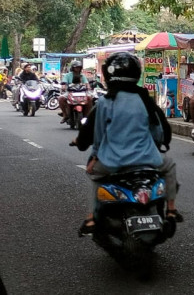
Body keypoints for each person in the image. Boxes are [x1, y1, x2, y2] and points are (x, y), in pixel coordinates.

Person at [76, 52, 181, 236]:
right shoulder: (145, 99)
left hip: (113, 162)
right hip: (148, 160)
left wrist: (94, 156)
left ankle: (91, 217)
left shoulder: (105, 102)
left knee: (93, 175)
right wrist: (157, 146)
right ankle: (171, 209)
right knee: (169, 166)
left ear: (108, 75)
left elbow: (98, 135)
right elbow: (159, 130)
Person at [59, 59, 91, 124]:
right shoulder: (67, 75)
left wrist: (88, 87)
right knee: (61, 98)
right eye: (76, 67)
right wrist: (64, 87)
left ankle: (87, 115)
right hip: (70, 92)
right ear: (73, 68)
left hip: (82, 93)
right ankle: (65, 115)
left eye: (79, 67)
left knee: (90, 98)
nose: (77, 69)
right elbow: (64, 83)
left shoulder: (82, 76)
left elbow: (87, 84)